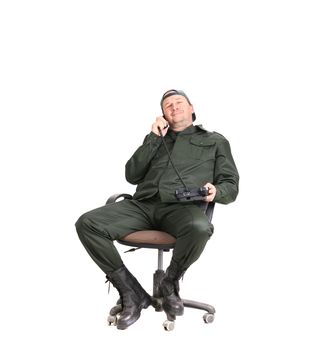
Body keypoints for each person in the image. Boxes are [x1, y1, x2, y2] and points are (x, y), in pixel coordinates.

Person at [75, 89, 239, 330]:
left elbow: (230, 184)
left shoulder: (215, 141)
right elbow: (132, 175)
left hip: (181, 209)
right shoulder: (155, 138)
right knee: (87, 223)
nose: (173, 107)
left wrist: (217, 191)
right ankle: (131, 292)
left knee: (200, 227)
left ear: (192, 108)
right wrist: (153, 138)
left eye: (178, 102)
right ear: (162, 115)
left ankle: (169, 283)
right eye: (167, 105)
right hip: (142, 205)